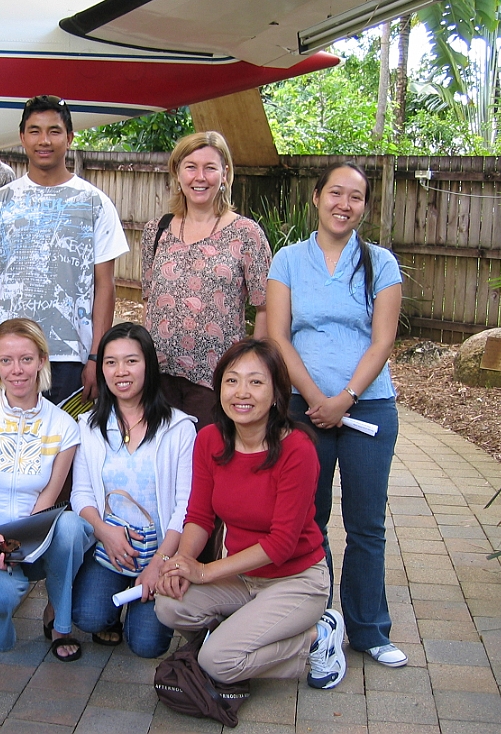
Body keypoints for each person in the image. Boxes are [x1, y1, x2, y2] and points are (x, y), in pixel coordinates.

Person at [266, 161, 407, 668]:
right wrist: (314, 400)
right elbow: (278, 337)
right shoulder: (288, 260)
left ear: (364, 207)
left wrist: (344, 397)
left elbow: (383, 339)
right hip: (305, 409)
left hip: (368, 407)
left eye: (355, 197)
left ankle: (369, 628)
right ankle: (317, 623)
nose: (344, 205)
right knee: (311, 519)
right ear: (317, 197)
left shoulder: (381, 262)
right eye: (335, 193)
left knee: (367, 523)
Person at [154, 339, 346, 690]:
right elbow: (199, 516)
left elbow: (281, 545)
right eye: (232, 380)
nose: (242, 392)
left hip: (296, 580)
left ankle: (317, 638)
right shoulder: (210, 439)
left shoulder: (297, 450)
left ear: (276, 394)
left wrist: (205, 570)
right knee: (169, 605)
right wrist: (182, 562)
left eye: (256, 382)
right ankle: (239, 639)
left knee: (219, 662)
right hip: (243, 577)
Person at [0, 318, 95, 660]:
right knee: (5, 594)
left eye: (26, 359)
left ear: (42, 360)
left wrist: (19, 545)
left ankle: (61, 623)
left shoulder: (63, 427)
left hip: (31, 540)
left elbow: (47, 500)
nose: (17, 370)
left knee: (72, 526)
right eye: (6, 360)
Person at [0, 95, 128, 404]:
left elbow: (105, 286)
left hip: (72, 356)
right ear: (22, 137)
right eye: (35, 131)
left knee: (66, 449)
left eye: (54, 131)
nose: (44, 140)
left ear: (70, 138)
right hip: (10, 356)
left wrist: (96, 357)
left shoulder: (95, 203)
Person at [70, 322, 196, 657]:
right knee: (88, 617)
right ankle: (111, 606)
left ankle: (137, 609)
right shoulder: (90, 427)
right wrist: (104, 532)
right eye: (110, 362)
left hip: (158, 553)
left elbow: (186, 505)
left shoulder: (179, 429)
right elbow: (80, 494)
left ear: (148, 366)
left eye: (131, 361)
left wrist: (160, 561)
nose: (120, 371)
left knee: (147, 645)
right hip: (108, 550)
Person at [141, 131, 271, 430]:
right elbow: (149, 301)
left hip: (216, 382)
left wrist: (255, 370)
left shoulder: (246, 234)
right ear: (177, 172)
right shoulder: (156, 231)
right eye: (190, 166)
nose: (200, 177)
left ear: (225, 173)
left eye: (210, 167)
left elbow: (265, 307)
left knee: (209, 465)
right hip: (159, 378)